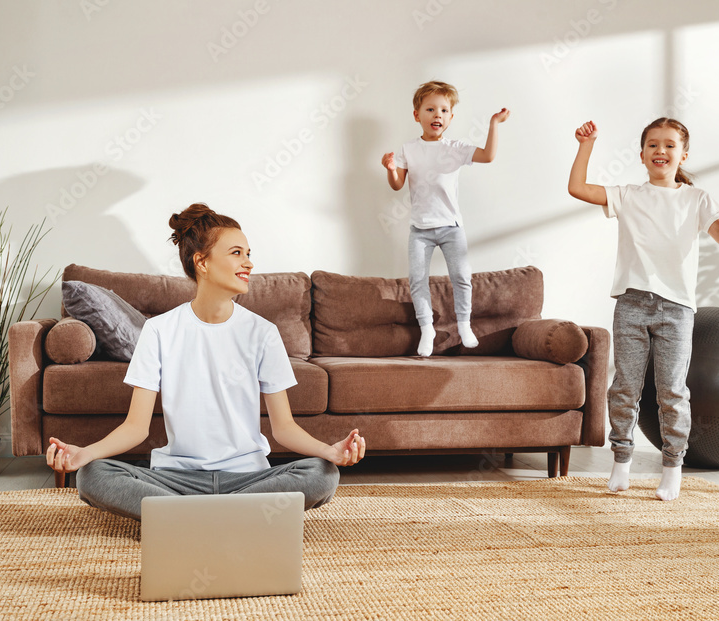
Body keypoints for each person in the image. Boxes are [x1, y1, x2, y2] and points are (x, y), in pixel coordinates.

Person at [46, 203, 366, 520]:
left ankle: (184, 520)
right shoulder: (159, 330)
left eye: (248, 253)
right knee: (92, 476)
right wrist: (83, 454)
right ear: (202, 262)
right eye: (237, 253)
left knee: (322, 474)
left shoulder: (262, 333)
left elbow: (284, 429)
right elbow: (135, 428)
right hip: (177, 478)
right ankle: (231, 518)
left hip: (247, 478)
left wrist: (329, 451)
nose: (249, 263)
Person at [567, 118, 719, 501]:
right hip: (632, 304)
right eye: (653, 145)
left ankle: (672, 467)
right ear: (641, 154)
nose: (660, 152)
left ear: (683, 154)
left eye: (669, 145)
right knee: (625, 388)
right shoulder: (629, 195)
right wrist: (587, 145)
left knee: (671, 391)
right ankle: (621, 462)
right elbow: (577, 188)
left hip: (677, 309)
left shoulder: (696, 199)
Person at [381, 80, 510, 356]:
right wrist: (391, 168)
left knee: (462, 276)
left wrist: (494, 124)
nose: (436, 115)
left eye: (443, 110)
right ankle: (427, 328)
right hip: (420, 230)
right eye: (430, 109)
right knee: (417, 279)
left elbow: (488, 156)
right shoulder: (409, 149)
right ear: (417, 115)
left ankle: (464, 324)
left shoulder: (456, 148)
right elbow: (396, 184)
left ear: (450, 117)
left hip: (451, 227)